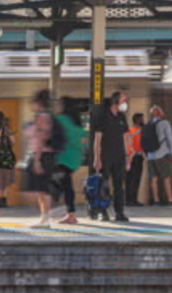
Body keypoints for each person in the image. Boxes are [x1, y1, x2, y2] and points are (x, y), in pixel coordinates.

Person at [91, 92, 131, 222]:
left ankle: (119, 212)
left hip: (119, 156)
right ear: (116, 101)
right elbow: (97, 139)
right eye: (124, 100)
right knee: (103, 185)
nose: (126, 103)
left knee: (119, 186)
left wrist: (128, 156)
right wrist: (97, 158)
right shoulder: (103, 116)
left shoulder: (121, 117)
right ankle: (102, 212)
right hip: (105, 157)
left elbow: (126, 137)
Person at [24, 90, 59, 228]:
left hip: (42, 155)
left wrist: (37, 160)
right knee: (43, 189)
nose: (32, 105)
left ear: (38, 103)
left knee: (42, 189)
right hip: (47, 156)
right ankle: (45, 218)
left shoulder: (41, 117)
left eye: (33, 102)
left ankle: (45, 219)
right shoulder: (48, 117)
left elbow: (40, 139)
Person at [52, 98, 85, 225]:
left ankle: (69, 214)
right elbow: (83, 141)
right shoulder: (77, 123)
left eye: (59, 104)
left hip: (62, 157)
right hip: (75, 159)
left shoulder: (61, 120)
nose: (57, 106)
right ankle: (70, 214)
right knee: (66, 185)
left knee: (61, 185)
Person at [146, 105, 172, 205]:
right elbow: (170, 139)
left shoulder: (148, 124)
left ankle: (156, 200)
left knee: (154, 178)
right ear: (161, 113)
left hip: (150, 156)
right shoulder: (165, 123)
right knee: (166, 177)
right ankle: (170, 200)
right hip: (162, 154)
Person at [0, 111, 16, 208]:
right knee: (6, 178)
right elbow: (13, 141)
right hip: (7, 157)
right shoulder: (7, 129)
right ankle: (4, 200)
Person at [126, 113, 145, 206]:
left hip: (129, 158)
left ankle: (129, 199)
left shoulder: (129, 131)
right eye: (141, 119)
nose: (143, 121)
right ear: (137, 120)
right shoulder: (140, 132)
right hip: (136, 157)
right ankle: (132, 200)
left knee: (129, 179)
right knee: (135, 179)